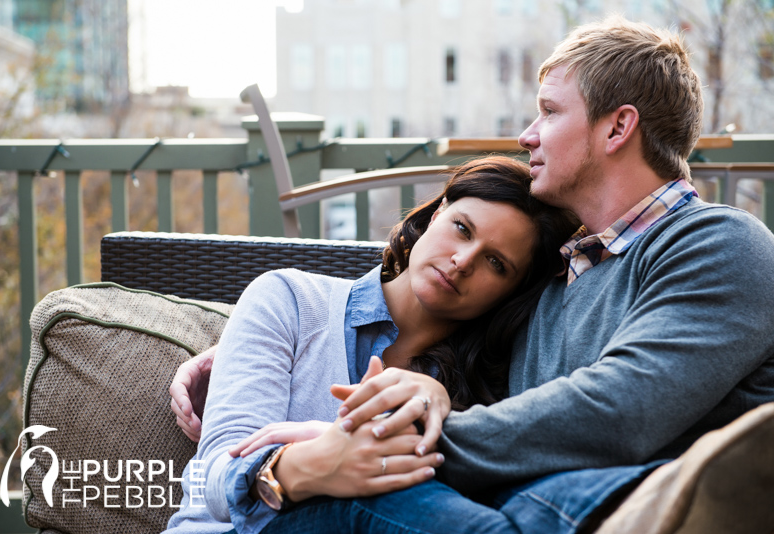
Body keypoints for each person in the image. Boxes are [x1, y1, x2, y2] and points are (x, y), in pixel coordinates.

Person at [172, 16, 774, 534]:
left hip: (624, 509)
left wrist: (387, 446)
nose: (526, 136)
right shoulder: (557, 286)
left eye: (549, 112)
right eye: (459, 230)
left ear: (617, 128)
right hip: (521, 510)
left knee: (362, 490)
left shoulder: (717, 242)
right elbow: (411, 296)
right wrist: (233, 339)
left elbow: (624, 409)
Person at [164, 156, 580, 533]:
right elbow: (216, 480)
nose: (463, 261)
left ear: (511, 292)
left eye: (496, 263)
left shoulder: (488, 387)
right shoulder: (289, 299)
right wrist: (318, 461)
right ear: (437, 214)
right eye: (462, 228)